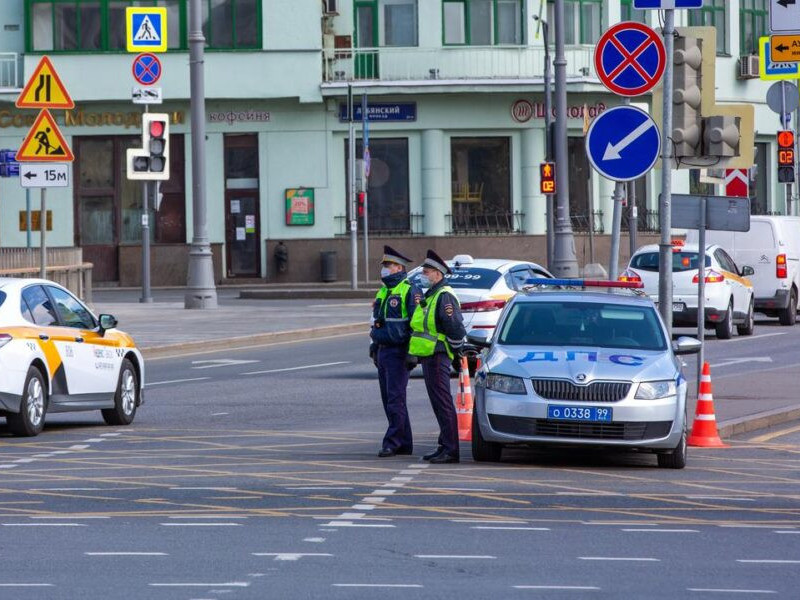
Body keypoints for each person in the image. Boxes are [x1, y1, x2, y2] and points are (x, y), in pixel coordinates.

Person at [408, 250, 466, 464]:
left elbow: (455, 328)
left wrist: (456, 353)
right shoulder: (432, 294)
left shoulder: (444, 296)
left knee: (443, 402)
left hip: (439, 354)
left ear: (438, 274)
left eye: (426, 271)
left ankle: (451, 450)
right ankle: (444, 445)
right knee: (437, 402)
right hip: (430, 355)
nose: (423, 274)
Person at [370, 245, 422, 458]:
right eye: (384, 266)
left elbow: (416, 324)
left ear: (399, 267)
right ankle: (404, 442)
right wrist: (374, 347)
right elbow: (378, 322)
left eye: (388, 266)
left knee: (395, 399)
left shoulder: (409, 289)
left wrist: (412, 352)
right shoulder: (384, 290)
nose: (384, 269)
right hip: (383, 350)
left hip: (399, 351)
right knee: (389, 398)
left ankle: (392, 442)